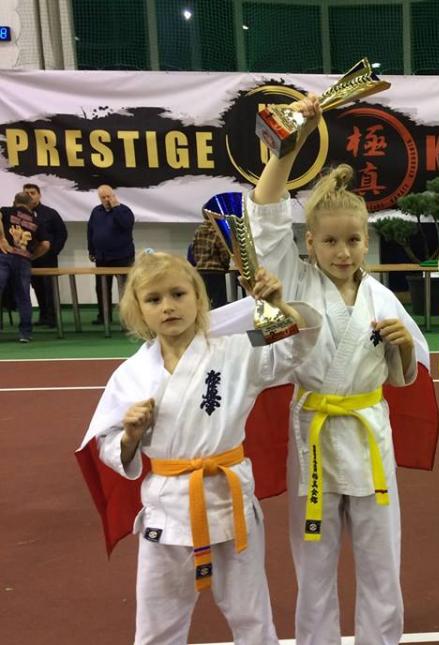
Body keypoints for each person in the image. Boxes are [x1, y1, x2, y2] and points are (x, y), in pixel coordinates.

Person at [234, 95, 436, 645]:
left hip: (370, 435)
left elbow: (403, 378)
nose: (342, 252)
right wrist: (287, 146)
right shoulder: (295, 280)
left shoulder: (383, 299)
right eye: (329, 241)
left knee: (381, 566)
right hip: (314, 437)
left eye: (352, 240)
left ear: (366, 240)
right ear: (309, 242)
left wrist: (401, 349)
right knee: (315, 569)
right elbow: (265, 216)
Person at [78, 251, 321, 644]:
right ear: (139, 310)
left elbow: (297, 345)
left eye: (178, 294)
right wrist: (131, 436)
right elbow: (107, 443)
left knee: (253, 618)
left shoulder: (237, 349)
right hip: (167, 509)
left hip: (230, 502)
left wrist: (278, 306)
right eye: (154, 299)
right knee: (157, 626)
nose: (168, 306)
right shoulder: (131, 374)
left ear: (198, 297)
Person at [0, 192, 49, 342]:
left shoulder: (6, 211)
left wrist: (2, 239)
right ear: (30, 205)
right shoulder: (36, 220)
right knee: (23, 297)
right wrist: (31, 257)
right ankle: (25, 334)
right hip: (23, 260)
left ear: (15, 202)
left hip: (3, 256)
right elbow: (46, 244)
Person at [88, 185, 135, 325]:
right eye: (103, 197)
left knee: (126, 289)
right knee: (101, 288)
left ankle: (129, 318)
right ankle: (104, 316)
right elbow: (91, 231)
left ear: (114, 196)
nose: (106, 199)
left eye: (109, 196)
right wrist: (91, 250)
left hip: (123, 257)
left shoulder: (124, 210)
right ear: (99, 198)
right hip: (102, 257)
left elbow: (126, 225)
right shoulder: (96, 212)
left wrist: (116, 208)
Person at [23, 183, 67, 327]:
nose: (30, 195)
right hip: (30, 257)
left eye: (32, 193)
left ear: (39, 195)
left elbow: (62, 233)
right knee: (37, 287)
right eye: (27, 193)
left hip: (48, 258)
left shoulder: (50, 213)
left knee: (50, 288)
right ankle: (43, 316)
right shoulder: (20, 214)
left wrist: (54, 251)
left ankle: (53, 318)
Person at [192, 217, 231, 308]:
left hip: (201, 271)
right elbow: (224, 253)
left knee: (203, 302)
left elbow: (193, 250)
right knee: (219, 304)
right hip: (216, 271)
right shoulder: (217, 231)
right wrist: (225, 265)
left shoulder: (197, 231)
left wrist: (199, 262)